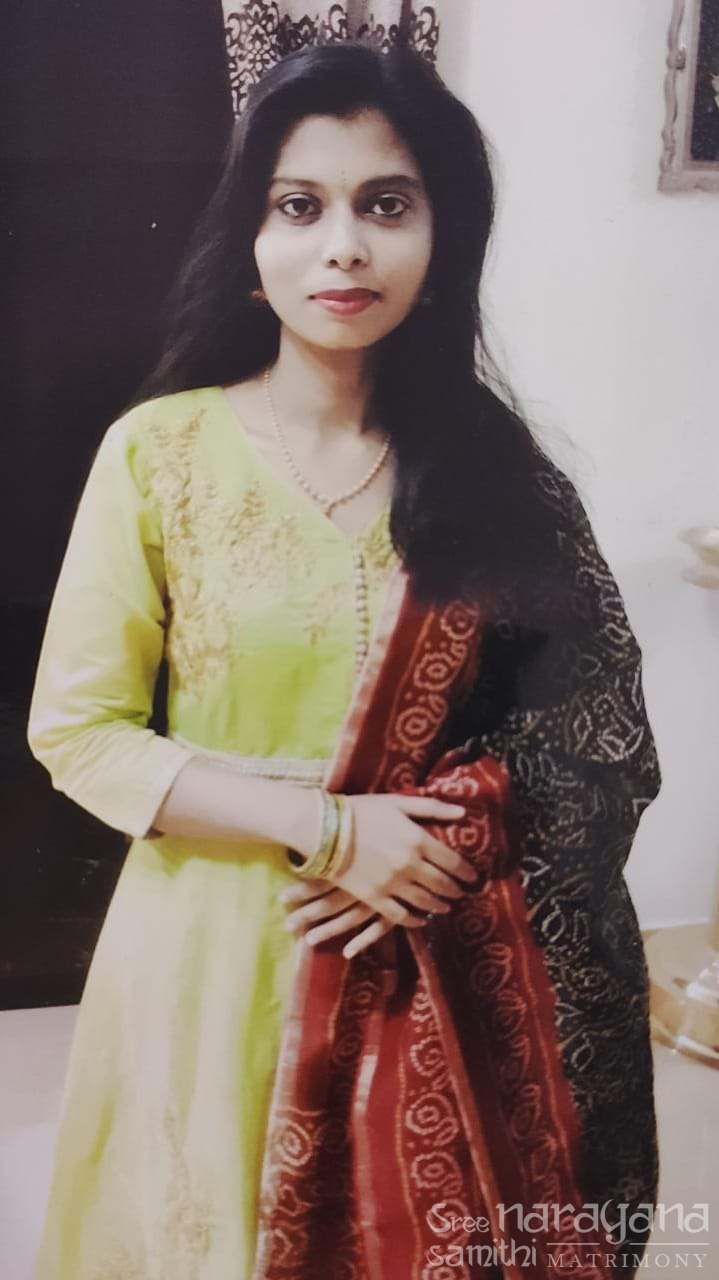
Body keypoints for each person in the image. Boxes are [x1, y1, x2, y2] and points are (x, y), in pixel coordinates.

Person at [27, 40, 661, 1280]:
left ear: (442, 240)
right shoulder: (159, 453)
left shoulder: (503, 479)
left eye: (385, 205)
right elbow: (79, 732)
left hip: (423, 944)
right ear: (250, 238)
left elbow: (593, 740)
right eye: (298, 205)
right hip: (211, 945)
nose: (343, 249)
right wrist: (329, 829)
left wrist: (437, 841)